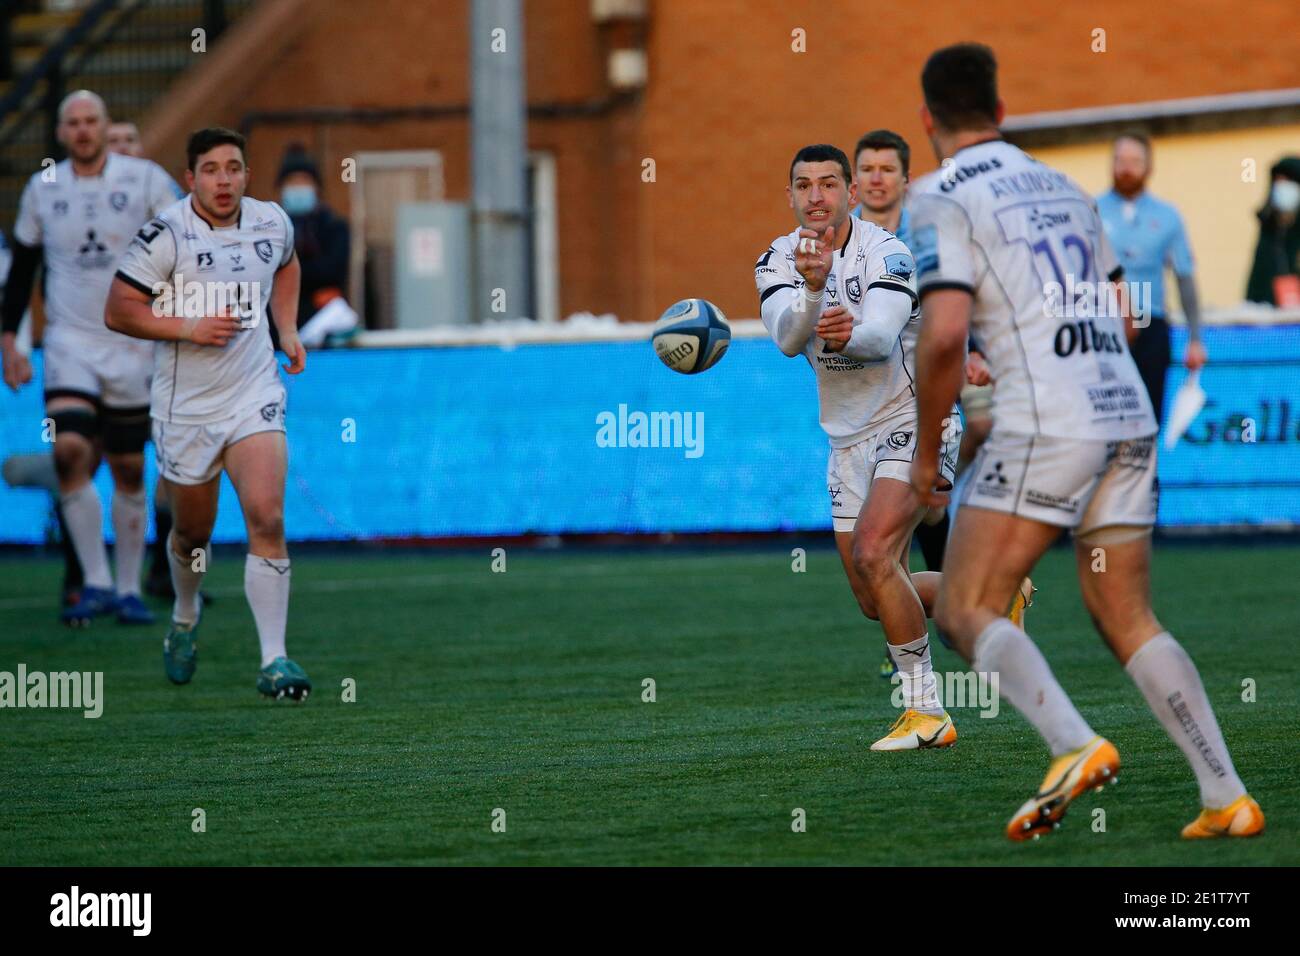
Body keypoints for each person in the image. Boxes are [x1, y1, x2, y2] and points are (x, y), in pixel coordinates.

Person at [908, 43, 1263, 839]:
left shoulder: (938, 197)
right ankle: (1225, 795)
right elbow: (1128, 315)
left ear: (927, 119)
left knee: (964, 606)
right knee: (1127, 614)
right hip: (1125, 411)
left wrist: (930, 454)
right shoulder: (1067, 188)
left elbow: (944, 336)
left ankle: (1073, 745)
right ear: (1002, 113)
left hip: (1049, 420)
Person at [756, 144, 1027, 751]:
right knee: (874, 595)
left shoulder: (889, 251)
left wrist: (845, 324)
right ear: (791, 196)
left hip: (913, 420)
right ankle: (993, 591)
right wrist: (811, 292)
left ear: (851, 193)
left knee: (876, 554)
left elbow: (879, 340)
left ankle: (926, 712)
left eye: (829, 184)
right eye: (803, 186)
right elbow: (785, 339)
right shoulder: (776, 258)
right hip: (846, 440)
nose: (816, 196)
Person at [106, 127, 312, 700]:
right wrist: (188, 327)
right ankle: (186, 612)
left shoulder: (272, 221)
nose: (224, 180)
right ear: (191, 177)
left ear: (247, 174)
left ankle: (275, 659)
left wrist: (287, 328)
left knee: (267, 518)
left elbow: (288, 264)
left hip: (254, 394)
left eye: (234, 168)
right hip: (186, 409)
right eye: (212, 170)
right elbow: (119, 309)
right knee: (192, 535)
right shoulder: (167, 233)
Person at [1, 90, 179, 626]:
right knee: (71, 451)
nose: (82, 130)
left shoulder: (145, 179)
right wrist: (9, 338)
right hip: (69, 344)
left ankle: (128, 590)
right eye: (72, 122)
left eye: (91, 121)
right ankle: (96, 582)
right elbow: (25, 267)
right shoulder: (42, 187)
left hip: (131, 342)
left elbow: (183, 243)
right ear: (60, 133)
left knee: (128, 467)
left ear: (105, 127)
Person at [851, 129, 1012, 681]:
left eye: (886, 169)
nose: (876, 178)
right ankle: (962, 597)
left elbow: (972, 294)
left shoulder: (926, 228)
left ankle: (945, 512)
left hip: (935, 376)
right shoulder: (845, 241)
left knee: (972, 436)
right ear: (855, 181)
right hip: (876, 394)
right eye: (867, 169)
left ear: (904, 177)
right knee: (875, 576)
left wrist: (978, 352)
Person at [1096, 131, 1206, 426]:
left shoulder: (1168, 216)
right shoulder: (1090, 210)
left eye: (1134, 161)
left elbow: (1184, 276)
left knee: (1148, 415)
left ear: (1149, 167)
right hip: (1104, 326)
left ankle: (1147, 472)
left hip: (1151, 324)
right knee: (1107, 416)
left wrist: (1195, 339)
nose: (1126, 168)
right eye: (1119, 160)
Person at [274, 145, 354, 343]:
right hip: (278, 326)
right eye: (292, 181)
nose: (298, 187)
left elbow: (332, 271)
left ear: (316, 188)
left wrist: (286, 269)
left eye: (304, 181)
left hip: (323, 318)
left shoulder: (333, 226)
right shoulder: (269, 228)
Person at [1245, 156, 1300, 306]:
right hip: (1269, 314)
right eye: (1278, 181)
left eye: (1288, 181)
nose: (1282, 186)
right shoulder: (1268, 228)